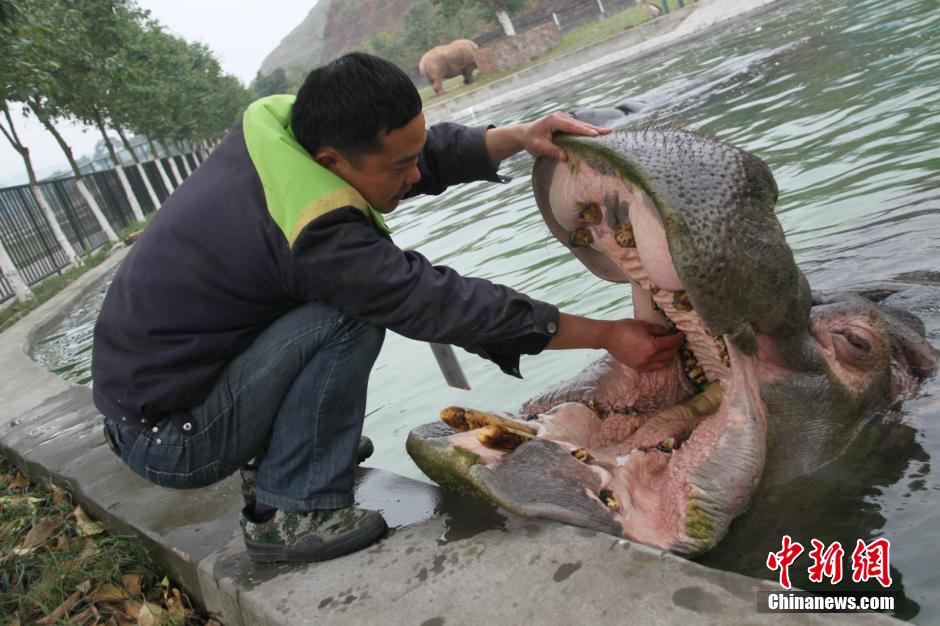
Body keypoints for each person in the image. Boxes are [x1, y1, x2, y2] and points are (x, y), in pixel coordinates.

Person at [92, 52, 684, 564]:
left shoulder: (279, 132)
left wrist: (515, 137)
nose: (415, 174)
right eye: (399, 167)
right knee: (348, 314)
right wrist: (607, 334)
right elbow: (437, 303)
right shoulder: (318, 234)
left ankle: (286, 460)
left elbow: (412, 155)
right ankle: (293, 515)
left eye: (416, 154)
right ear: (331, 162)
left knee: (334, 301)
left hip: (165, 397)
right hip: (172, 437)